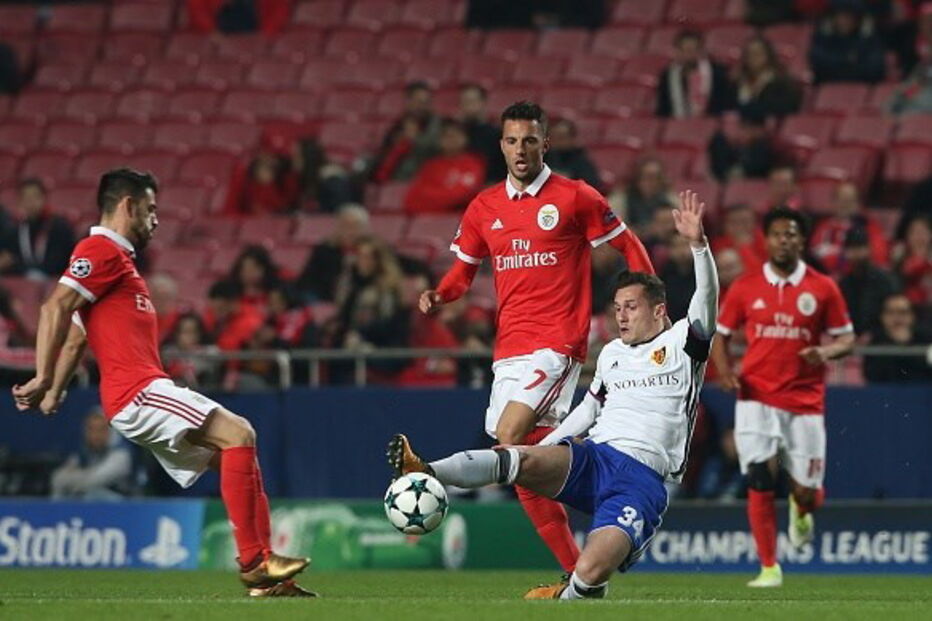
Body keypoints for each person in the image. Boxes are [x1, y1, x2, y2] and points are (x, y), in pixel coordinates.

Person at [392, 190, 715, 599]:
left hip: (642, 478)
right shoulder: (613, 354)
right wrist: (546, 450)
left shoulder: (685, 342)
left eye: (631, 307)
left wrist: (698, 246)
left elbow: (707, 300)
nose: (621, 315)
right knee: (515, 456)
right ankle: (426, 469)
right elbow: (589, 409)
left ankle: (576, 593)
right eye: (617, 307)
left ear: (659, 310)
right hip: (595, 458)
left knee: (592, 570)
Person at [11, 168, 314, 597]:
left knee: (239, 457)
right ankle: (255, 563)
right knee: (240, 432)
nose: (156, 219)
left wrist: (55, 390)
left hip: (134, 397)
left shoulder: (117, 265)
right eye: (151, 209)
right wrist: (42, 375)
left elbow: (77, 334)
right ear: (127, 206)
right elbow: (53, 308)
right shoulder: (100, 250)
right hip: (138, 391)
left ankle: (267, 577)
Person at [417, 101, 655, 582]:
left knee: (507, 437)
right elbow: (464, 273)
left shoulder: (575, 197)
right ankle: (583, 568)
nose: (521, 150)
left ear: (545, 143)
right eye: (511, 141)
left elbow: (626, 244)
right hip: (509, 350)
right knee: (527, 465)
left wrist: (649, 302)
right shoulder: (484, 206)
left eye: (530, 140)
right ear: (501, 145)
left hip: (558, 343)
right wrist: (439, 295)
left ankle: (431, 472)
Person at [711, 206, 856, 588]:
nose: (783, 240)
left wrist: (825, 353)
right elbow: (720, 335)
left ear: (802, 240)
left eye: (791, 234)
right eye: (777, 234)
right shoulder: (745, 286)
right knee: (759, 477)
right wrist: (725, 371)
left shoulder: (824, 287)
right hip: (755, 395)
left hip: (805, 400)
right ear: (767, 239)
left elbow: (846, 338)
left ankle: (801, 508)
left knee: (807, 492)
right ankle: (769, 567)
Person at [403, 119, 487, 214]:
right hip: (427, 222)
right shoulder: (431, 166)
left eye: (455, 135)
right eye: (446, 136)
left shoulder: (473, 164)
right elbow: (411, 199)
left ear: (464, 139)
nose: (451, 140)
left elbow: (464, 194)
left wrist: (432, 200)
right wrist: (446, 199)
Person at [50, 408, 134, 499]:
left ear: (111, 431)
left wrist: (73, 478)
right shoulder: (83, 451)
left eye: (101, 430)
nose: (96, 435)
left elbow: (94, 480)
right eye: (91, 429)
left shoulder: (121, 455)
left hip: (121, 506)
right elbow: (59, 477)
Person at [0, 178, 76, 279]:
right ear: (20, 201)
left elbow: (61, 261)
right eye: (26, 197)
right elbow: (9, 258)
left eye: (35, 196)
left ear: (44, 198)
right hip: (25, 280)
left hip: (54, 280)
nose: (31, 202)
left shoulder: (59, 226)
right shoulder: (17, 230)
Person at [810, 181, 889, 276]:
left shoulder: (869, 227)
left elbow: (878, 256)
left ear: (858, 204)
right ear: (833, 202)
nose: (845, 204)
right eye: (841, 200)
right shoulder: (822, 226)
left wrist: (839, 258)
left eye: (850, 200)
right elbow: (815, 256)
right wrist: (846, 257)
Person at [296, 203, 370, 302]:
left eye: (355, 226)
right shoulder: (323, 250)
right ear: (337, 227)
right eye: (345, 225)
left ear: (364, 229)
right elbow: (307, 282)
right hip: (325, 301)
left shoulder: (375, 251)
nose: (350, 231)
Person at [656, 29, 735, 118]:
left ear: (701, 50)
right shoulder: (667, 75)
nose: (688, 55)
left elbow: (727, 106)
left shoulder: (718, 73)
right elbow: (663, 110)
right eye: (684, 50)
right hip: (677, 126)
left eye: (692, 50)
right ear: (677, 51)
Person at [372, 81, 441, 182]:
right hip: (395, 174)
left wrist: (414, 139)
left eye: (426, 102)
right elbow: (386, 147)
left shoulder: (435, 122)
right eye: (418, 101)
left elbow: (434, 148)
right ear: (408, 101)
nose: (422, 106)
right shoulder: (401, 122)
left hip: (421, 174)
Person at [838, 226, 898, 335]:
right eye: (852, 249)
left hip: (882, 338)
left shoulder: (884, 280)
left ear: (869, 249)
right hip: (852, 338)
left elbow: (892, 312)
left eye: (860, 248)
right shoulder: (844, 284)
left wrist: (874, 334)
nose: (857, 254)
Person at [809, 0, 886, 84]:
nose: (844, 21)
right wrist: (848, 61)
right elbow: (817, 62)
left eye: (848, 17)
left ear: (857, 19)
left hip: (862, 87)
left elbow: (875, 69)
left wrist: (837, 66)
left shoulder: (868, 38)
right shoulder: (824, 36)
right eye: (840, 16)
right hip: (828, 87)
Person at [863, 293, 932, 383]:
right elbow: (871, 374)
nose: (897, 318)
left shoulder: (926, 338)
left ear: (912, 316)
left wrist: (906, 344)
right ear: (882, 317)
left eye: (903, 312)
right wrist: (893, 342)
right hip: (884, 394)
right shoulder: (874, 340)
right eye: (891, 312)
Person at [734, 36, 802, 120]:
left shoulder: (781, 83)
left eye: (757, 54)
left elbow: (779, 110)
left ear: (768, 55)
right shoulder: (738, 82)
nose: (753, 58)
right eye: (749, 54)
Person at [608, 157, 678, 233]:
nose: (651, 182)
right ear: (637, 178)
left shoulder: (670, 199)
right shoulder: (621, 199)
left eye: (657, 178)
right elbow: (612, 230)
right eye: (646, 177)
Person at [708, 105, 776, 182]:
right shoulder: (719, 142)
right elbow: (718, 170)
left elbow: (762, 170)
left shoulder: (763, 147)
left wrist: (742, 171)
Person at [459, 83, 507, 182]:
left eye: (472, 101)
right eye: (464, 102)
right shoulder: (456, 134)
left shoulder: (496, 135)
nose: (468, 106)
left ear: (483, 103)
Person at [543, 119, 602, 191]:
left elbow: (591, 188)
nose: (556, 141)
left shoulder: (581, 161)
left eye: (561, 138)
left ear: (572, 139)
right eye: (552, 138)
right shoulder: (542, 157)